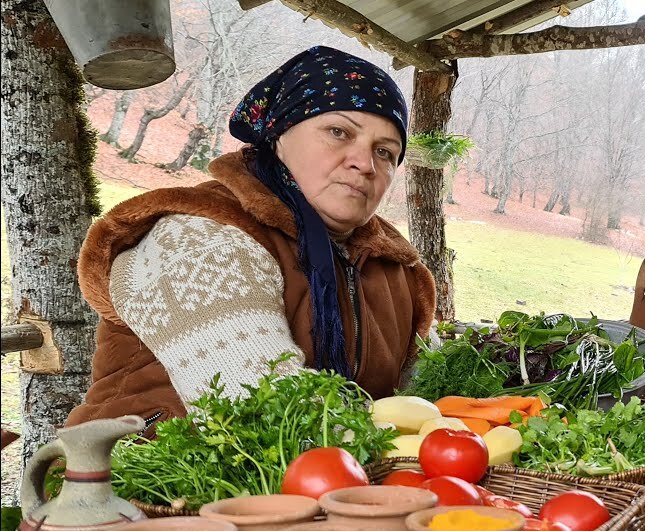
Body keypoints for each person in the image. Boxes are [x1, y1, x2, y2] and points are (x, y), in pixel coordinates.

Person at [67, 46, 436, 428]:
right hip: (145, 482)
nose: (364, 163)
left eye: (385, 152)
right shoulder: (198, 238)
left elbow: (426, 393)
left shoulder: (393, 268)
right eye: (338, 132)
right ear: (279, 135)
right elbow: (264, 411)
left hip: (336, 479)